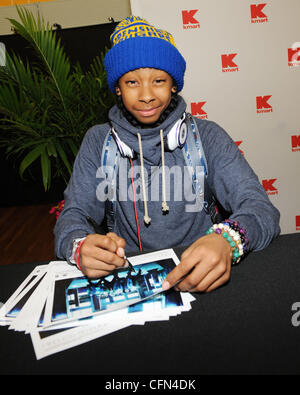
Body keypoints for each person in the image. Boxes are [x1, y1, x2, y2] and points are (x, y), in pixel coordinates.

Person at [54, 16, 280, 294]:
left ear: (174, 84)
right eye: (132, 82)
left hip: (203, 276)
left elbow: (260, 208)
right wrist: (80, 246)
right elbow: (73, 214)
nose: (146, 95)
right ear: (117, 88)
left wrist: (227, 241)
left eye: (158, 80)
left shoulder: (208, 137)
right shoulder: (98, 141)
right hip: (131, 280)